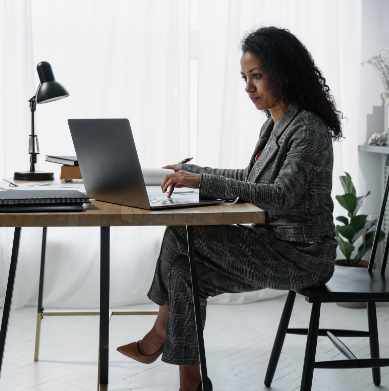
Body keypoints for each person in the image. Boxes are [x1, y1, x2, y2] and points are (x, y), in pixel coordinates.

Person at [116, 26, 343, 391]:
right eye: (245, 77)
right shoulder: (275, 123)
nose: (248, 87)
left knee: (180, 231)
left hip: (303, 258)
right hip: (273, 245)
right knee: (183, 273)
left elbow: (280, 195)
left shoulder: (308, 130)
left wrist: (201, 183)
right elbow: (252, 177)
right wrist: (196, 171)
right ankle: (190, 383)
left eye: (256, 76)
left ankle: (159, 333)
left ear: (283, 73)